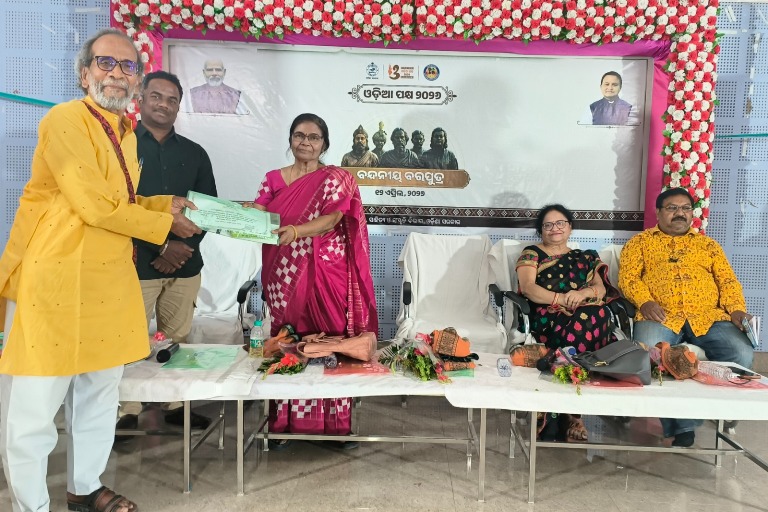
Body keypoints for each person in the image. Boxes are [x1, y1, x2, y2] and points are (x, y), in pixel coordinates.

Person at [0, 28, 201, 512]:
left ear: (136, 80)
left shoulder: (124, 132)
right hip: (58, 276)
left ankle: (85, 487)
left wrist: (164, 204)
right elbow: (92, 204)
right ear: (84, 73)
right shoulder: (66, 119)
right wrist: (163, 222)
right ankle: (31, 505)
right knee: (36, 406)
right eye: (105, 63)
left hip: (109, 279)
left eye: (127, 66)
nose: (116, 73)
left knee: (99, 394)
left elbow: (119, 201)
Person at [249, 113, 378, 448]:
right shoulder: (273, 179)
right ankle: (282, 425)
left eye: (314, 137)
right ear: (290, 139)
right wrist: (238, 216)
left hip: (327, 271)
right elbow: (258, 214)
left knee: (331, 341)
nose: (305, 142)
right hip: (283, 272)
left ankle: (335, 428)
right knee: (287, 340)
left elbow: (332, 219)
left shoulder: (335, 178)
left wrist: (295, 231)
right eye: (299, 135)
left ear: (324, 144)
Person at [115, 70, 218, 440]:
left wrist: (180, 252)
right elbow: (115, 208)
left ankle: (175, 405)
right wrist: (160, 247)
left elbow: (208, 212)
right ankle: (126, 409)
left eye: (172, 99)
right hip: (134, 263)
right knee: (128, 341)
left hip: (185, 267)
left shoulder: (194, 153)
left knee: (178, 339)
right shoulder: (120, 147)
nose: (164, 104)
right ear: (140, 98)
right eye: (156, 96)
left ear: (178, 107)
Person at [619, 188, 754, 447]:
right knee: (653, 354)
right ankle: (683, 426)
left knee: (740, 352)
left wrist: (736, 309)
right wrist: (645, 301)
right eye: (672, 208)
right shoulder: (640, 243)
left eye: (685, 208)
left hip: (709, 316)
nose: (679, 213)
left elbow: (727, 281)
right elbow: (628, 278)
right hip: (660, 315)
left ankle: (723, 410)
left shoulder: (708, 246)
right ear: (658, 212)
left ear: (692, 213)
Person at [515, 204, 620, 442]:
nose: (555, 228)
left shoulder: (586, 257)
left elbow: (600, 289)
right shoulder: (531, 254)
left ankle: (565, 408)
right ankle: (571, 414)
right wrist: (560, 299)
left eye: (560, 223)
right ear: (541, 230)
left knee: (597, 314)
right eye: (548, 225)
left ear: (570, 227)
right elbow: (528, 288)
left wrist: (583, 294)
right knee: (585, 321)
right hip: (547, 315)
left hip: (584, 313)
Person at [186, 59, 251, 114]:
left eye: (218, 70)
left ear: (224, 72)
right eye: (210, 70)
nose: (214, 73)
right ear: (204, 72)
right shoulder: (193, 93)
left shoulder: (235, 94)